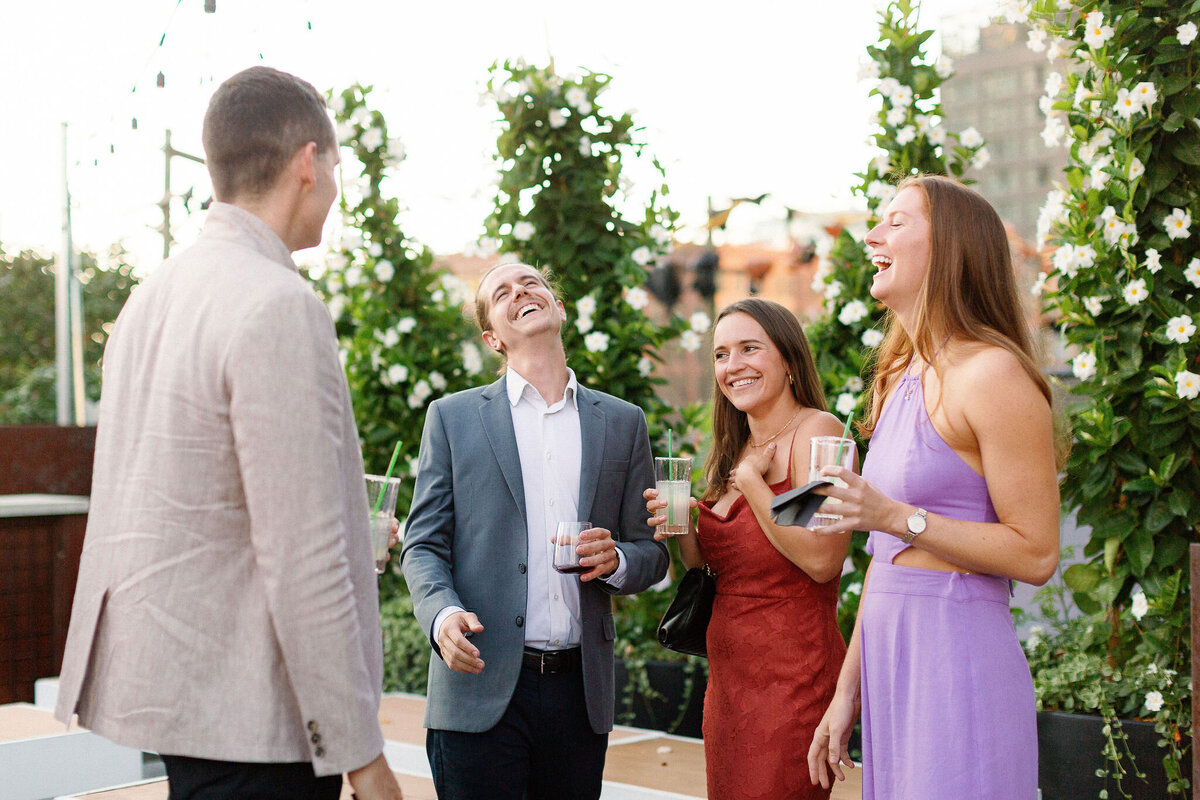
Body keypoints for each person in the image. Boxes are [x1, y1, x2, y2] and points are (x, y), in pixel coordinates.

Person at [54, 67, 403, 800]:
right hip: (261, 723)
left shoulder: (150, 300)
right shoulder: (278, 304)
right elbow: (300, 554)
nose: (336, 190)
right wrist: (362, 757)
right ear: (309, 163)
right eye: (334, 168)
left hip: (185, 713)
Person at [806, 175, 1061, 799]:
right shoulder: (899, 377)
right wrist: (846, 696)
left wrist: (896, 516)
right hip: (893, 661)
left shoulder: (992, 374)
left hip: (958, 658)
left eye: (896, 221)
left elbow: (1037, 553)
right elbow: (883, 565)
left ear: (948, 247)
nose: (872, 234)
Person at [401, 261, 670, 800]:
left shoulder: (622, 422)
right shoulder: (451, 418)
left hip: (579, 697)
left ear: (559, 306)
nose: (520, 290)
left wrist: (616, 560)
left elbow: (652, 553)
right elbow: (423, 544)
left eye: (532, 283)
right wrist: (442, 616)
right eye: (501, 293)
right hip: (477, 690)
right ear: (492, 337)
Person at [646, 297, 851, 800]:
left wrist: (755, 487)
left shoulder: (818, 433)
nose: (732, 366)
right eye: (720, 354)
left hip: (792, 675)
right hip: (730, 680)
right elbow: (712, 566)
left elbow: (820, 559)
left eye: (749, 348)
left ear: (787, 358)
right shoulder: (733, 447)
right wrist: (682, 529)